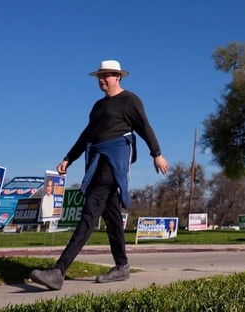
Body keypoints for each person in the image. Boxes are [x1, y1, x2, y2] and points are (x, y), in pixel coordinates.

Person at [30, 60, 169, 290]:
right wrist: (68, 158)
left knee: (89, 213)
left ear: (118, 77)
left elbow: (145, 127)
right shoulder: (97, 106)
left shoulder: (130, 100)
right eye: (100, 77)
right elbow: (87, 135)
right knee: (112, 216)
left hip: (113, 162)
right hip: (96, 160)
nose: (103, 80)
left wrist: (157, 154)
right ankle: (122, 266)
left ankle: (58, 271)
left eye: (107, 76)